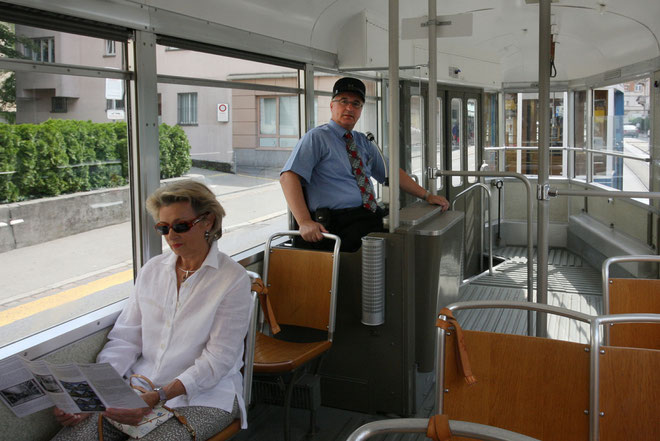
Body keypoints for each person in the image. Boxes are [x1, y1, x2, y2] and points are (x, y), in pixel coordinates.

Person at [51, 181, 252, 441]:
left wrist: (159, 396)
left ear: (208, 222)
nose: (171, 236)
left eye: (181, 226)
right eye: (163, 228)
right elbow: (125, 339)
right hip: (136, 389)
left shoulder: (232, 279)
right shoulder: (152, 271)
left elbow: (218, 359)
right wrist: (93, 396)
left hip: (204, 396)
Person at [280, 77, 449, 252]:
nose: (349, 108)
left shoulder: (362, 141)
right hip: (337, 223)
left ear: (360, 110)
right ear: (332, 106)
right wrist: (304, 221)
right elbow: (288, 177)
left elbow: (391, 172)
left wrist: (427, 196)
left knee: (406, 244)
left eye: (356, 104)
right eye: (343, 101)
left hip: (367, 215)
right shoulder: (317, 138)